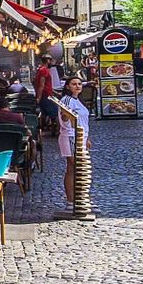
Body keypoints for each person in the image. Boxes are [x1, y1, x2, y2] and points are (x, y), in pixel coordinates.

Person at [56, 79, 90, 207]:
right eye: (74, 84)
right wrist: (66, 116)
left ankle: (75, 200)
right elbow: (64, 117)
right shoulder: (67, 100)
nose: (77, 86)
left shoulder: (78, 101)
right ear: (67, 87)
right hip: (70, 136)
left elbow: (83, 121)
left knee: (72, 169)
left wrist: (87, 138)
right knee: (78, 167)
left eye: (79, 84)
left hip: (81, 137)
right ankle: (77, 199)